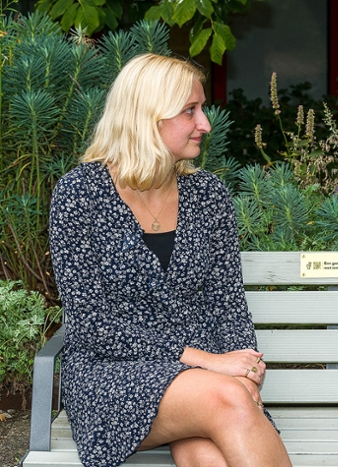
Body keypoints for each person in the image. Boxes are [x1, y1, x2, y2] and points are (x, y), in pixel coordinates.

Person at [49, 53, 292, 467]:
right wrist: (207, 363)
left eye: (202, 109)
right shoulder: (80, 194)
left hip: (206, 384)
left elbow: (227, 301)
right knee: (227, 400)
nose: (205, 125)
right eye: (190, 111)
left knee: (209, 454)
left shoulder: (208, 195)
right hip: (112, 374)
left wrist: (244, 366)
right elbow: (92, 326)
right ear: (148, 117)